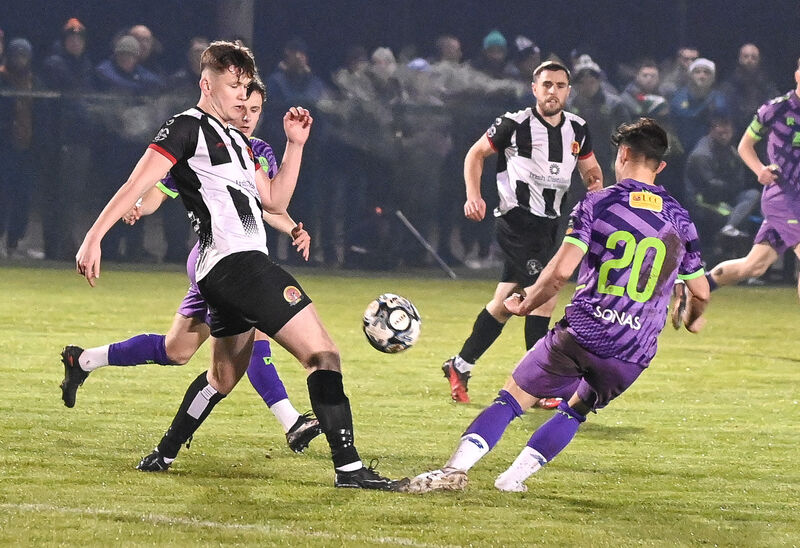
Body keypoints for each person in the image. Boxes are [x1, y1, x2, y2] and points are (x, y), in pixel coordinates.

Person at [70, 40, 405, 490]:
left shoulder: (242, 143)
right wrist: (94, 236)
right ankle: (349, 469)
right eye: (234, 87)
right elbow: (139, 180)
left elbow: (274, 201)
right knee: (323, 353)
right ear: (206, 85)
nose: (243, 98)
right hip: (239, 264)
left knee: (222, 376)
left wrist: (294, 145)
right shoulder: (187, 126)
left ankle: (164, 453)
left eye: (247, 88)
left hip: (220, 275)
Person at [405, 118, 710, 494]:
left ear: (624, 154)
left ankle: (455, 470)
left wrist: (525, 302)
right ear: (660, 166)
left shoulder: (600, 203)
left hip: (584, 332)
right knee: (576, 410)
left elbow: (558, 273)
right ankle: (512, 479)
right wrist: (693, 320)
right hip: (633, 352)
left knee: (512, 398)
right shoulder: (680, 218)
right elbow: (701, 291)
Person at [60, 79, 322, 453]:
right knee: (254, 334)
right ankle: (292, 421)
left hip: (238, 260)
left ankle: (84, 360)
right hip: (215, 260)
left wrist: (293, 225)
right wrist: (139, 207)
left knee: (176, 351)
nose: (246, 116)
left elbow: (264, 205)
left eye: (255, 110)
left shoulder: (259, 151)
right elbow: (158, 189)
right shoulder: (199, 142)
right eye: (241, 106)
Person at [441, 61, 603, 403]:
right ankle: (541, 387)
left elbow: (591, 170)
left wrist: (595, 190)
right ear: (534, 89)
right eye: (546, 84)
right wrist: (474, 194)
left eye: (560, 85)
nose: (553, 91)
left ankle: (461, 364)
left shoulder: (578, 128)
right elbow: (475, 154)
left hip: (551, 224)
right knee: (544, 296)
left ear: (568, 91)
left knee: (505, 303)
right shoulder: (514, 123)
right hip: (516, 220)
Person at [673, 58, 800, 324]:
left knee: (753, 266)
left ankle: (693, 289)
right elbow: (745, 145)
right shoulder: (776, 110)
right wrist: (760, 171)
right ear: (797, 74)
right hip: (782, 198)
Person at [684, 116, 760, 256]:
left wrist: (731, 186)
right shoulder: (702, 154)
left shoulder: (731, 151)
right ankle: (725, 253)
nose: (725, 136)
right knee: (736, 216)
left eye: (727, 133)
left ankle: (730, 227)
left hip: (727, 195)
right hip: (704, 200)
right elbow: (710, 186)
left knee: (752, 195)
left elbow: (740, 179)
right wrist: (731, 186)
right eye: (721, 133)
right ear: (712, 131)